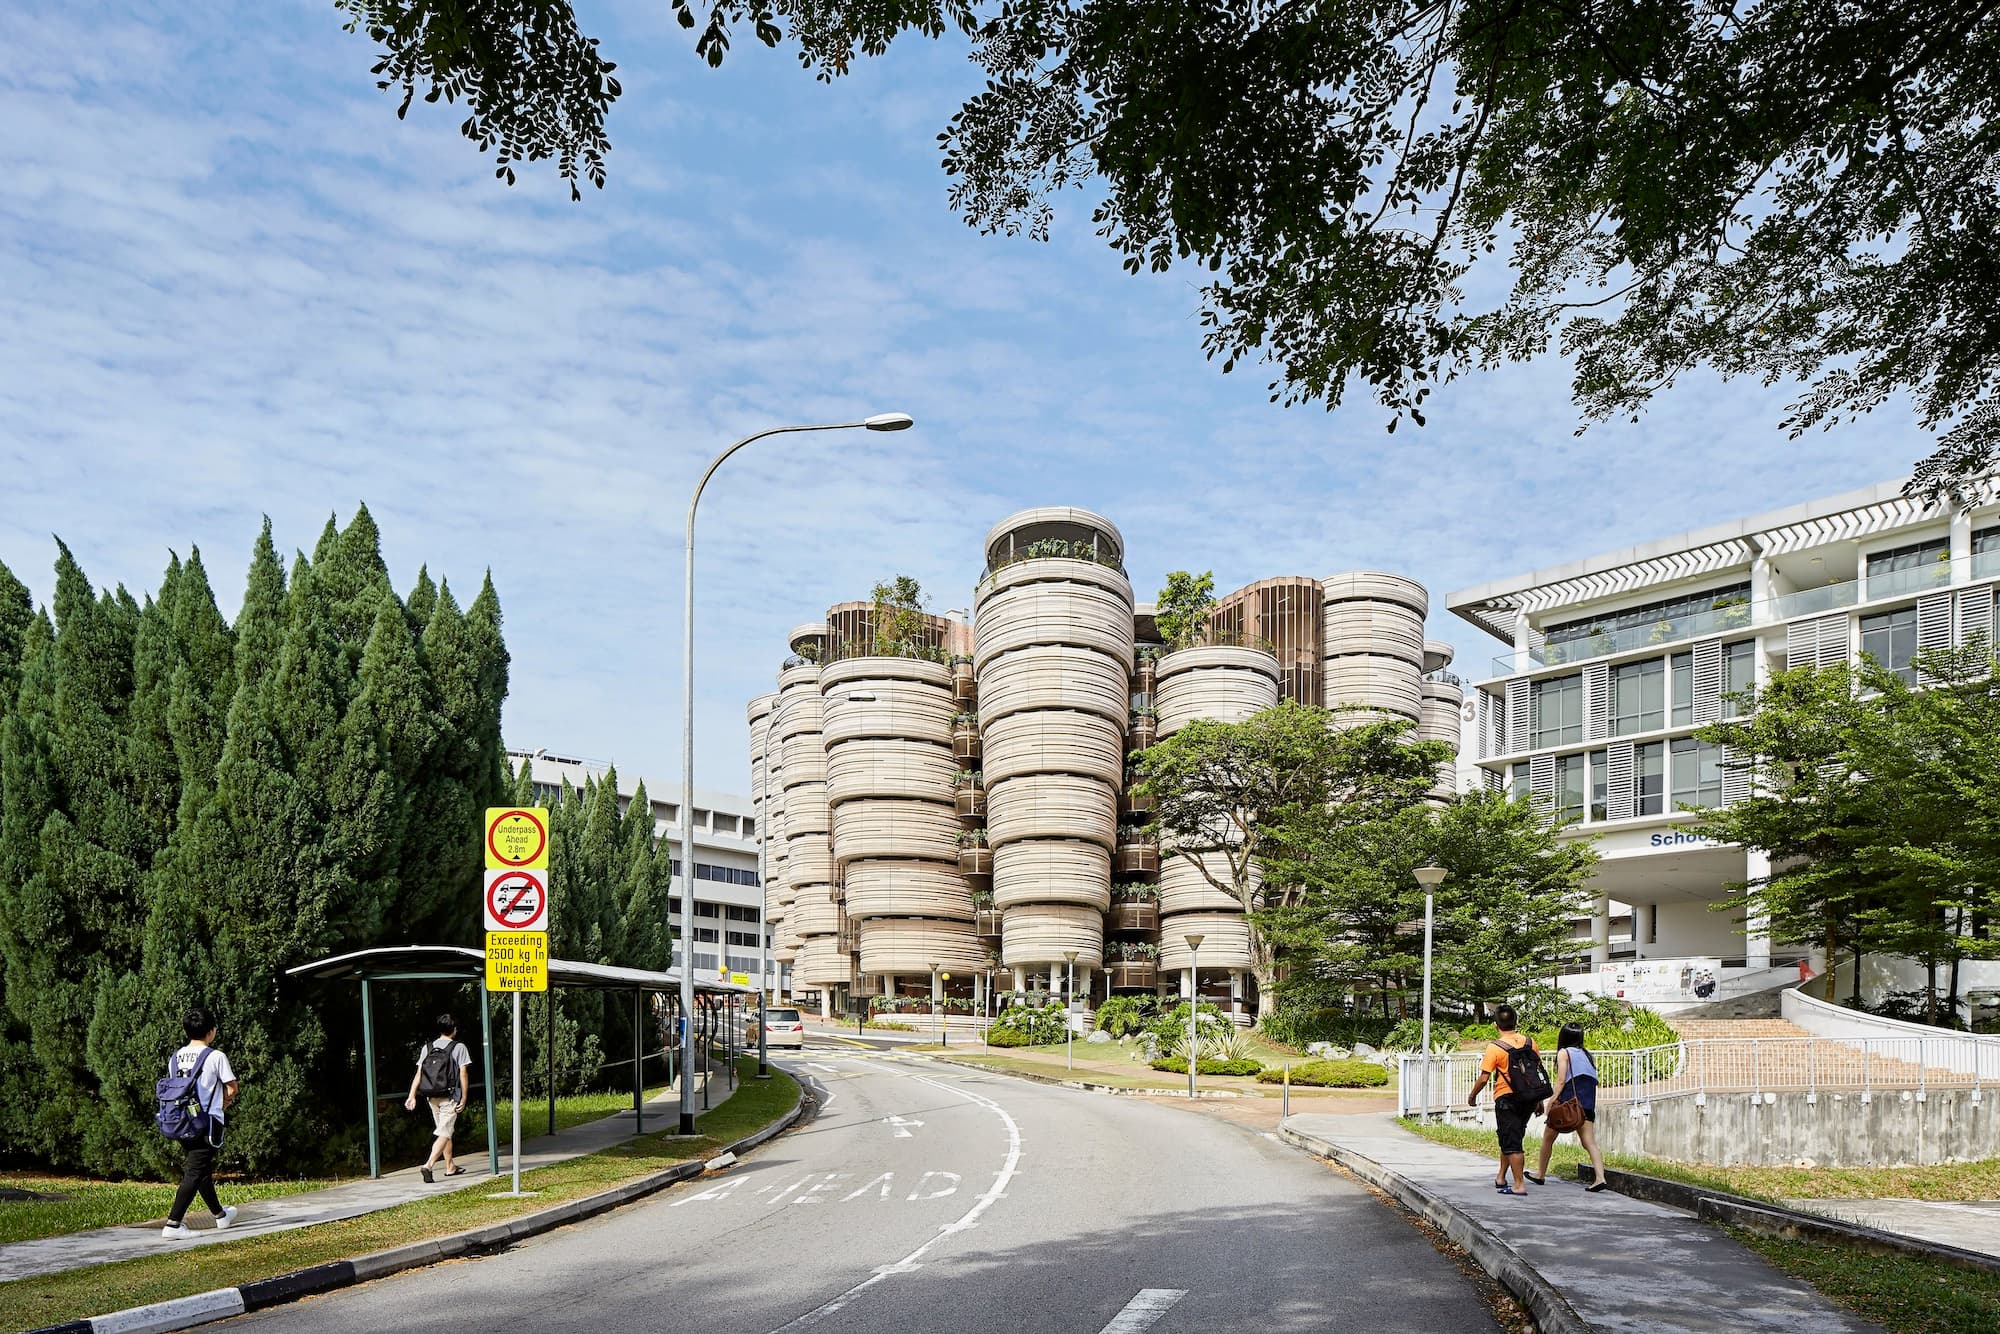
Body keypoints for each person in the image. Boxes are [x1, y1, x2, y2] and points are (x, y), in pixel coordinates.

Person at [160, 1006, 240, 1239]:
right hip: (207, 1123)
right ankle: (173, 1224)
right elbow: (232, 1087)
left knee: (201, 1170)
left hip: (182, 1122)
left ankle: (220, 1215)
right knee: (195, 1172)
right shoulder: (216, 1056)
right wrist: (225, 1103)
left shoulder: (175, 1057)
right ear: (211, 1031)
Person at [1465, 1004, 1547, 1196]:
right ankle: (1501, 1176)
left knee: (1512, 1142)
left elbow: (1484, 1078)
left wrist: (1472, 1096)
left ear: (1496, 1025)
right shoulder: (1530, 1042)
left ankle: (1519, 1185)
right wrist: (1539, 1100)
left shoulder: (1495, 1047)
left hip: (1506, 1098)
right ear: (1516, 1022)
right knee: (1510, 1136)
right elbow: (1535, 1073)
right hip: (1527, 1098)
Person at [1528, 1022, 1608, 1192]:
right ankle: (1600, 1178)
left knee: (1548, 1138)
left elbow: (1561, 1080)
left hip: (1567, 1104)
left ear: (1563, 1036)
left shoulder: (1564, 1053)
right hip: (1586, 1104)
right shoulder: (1587, 1055)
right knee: (1589, 1142)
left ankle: (1540, 1174)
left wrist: (1551, 1102)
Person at [404, 1013, 472, 1183]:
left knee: (444, 1131)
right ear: (454, 1029)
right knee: (444, 1132)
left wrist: (412, 1095)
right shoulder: (459, 1047)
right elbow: (463, 1073)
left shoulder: (428, 1047)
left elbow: (419, 1073)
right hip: (449, 1096)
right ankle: (428, 1165)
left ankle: (450, 1166)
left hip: (431, 1096)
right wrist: (464, 1097)